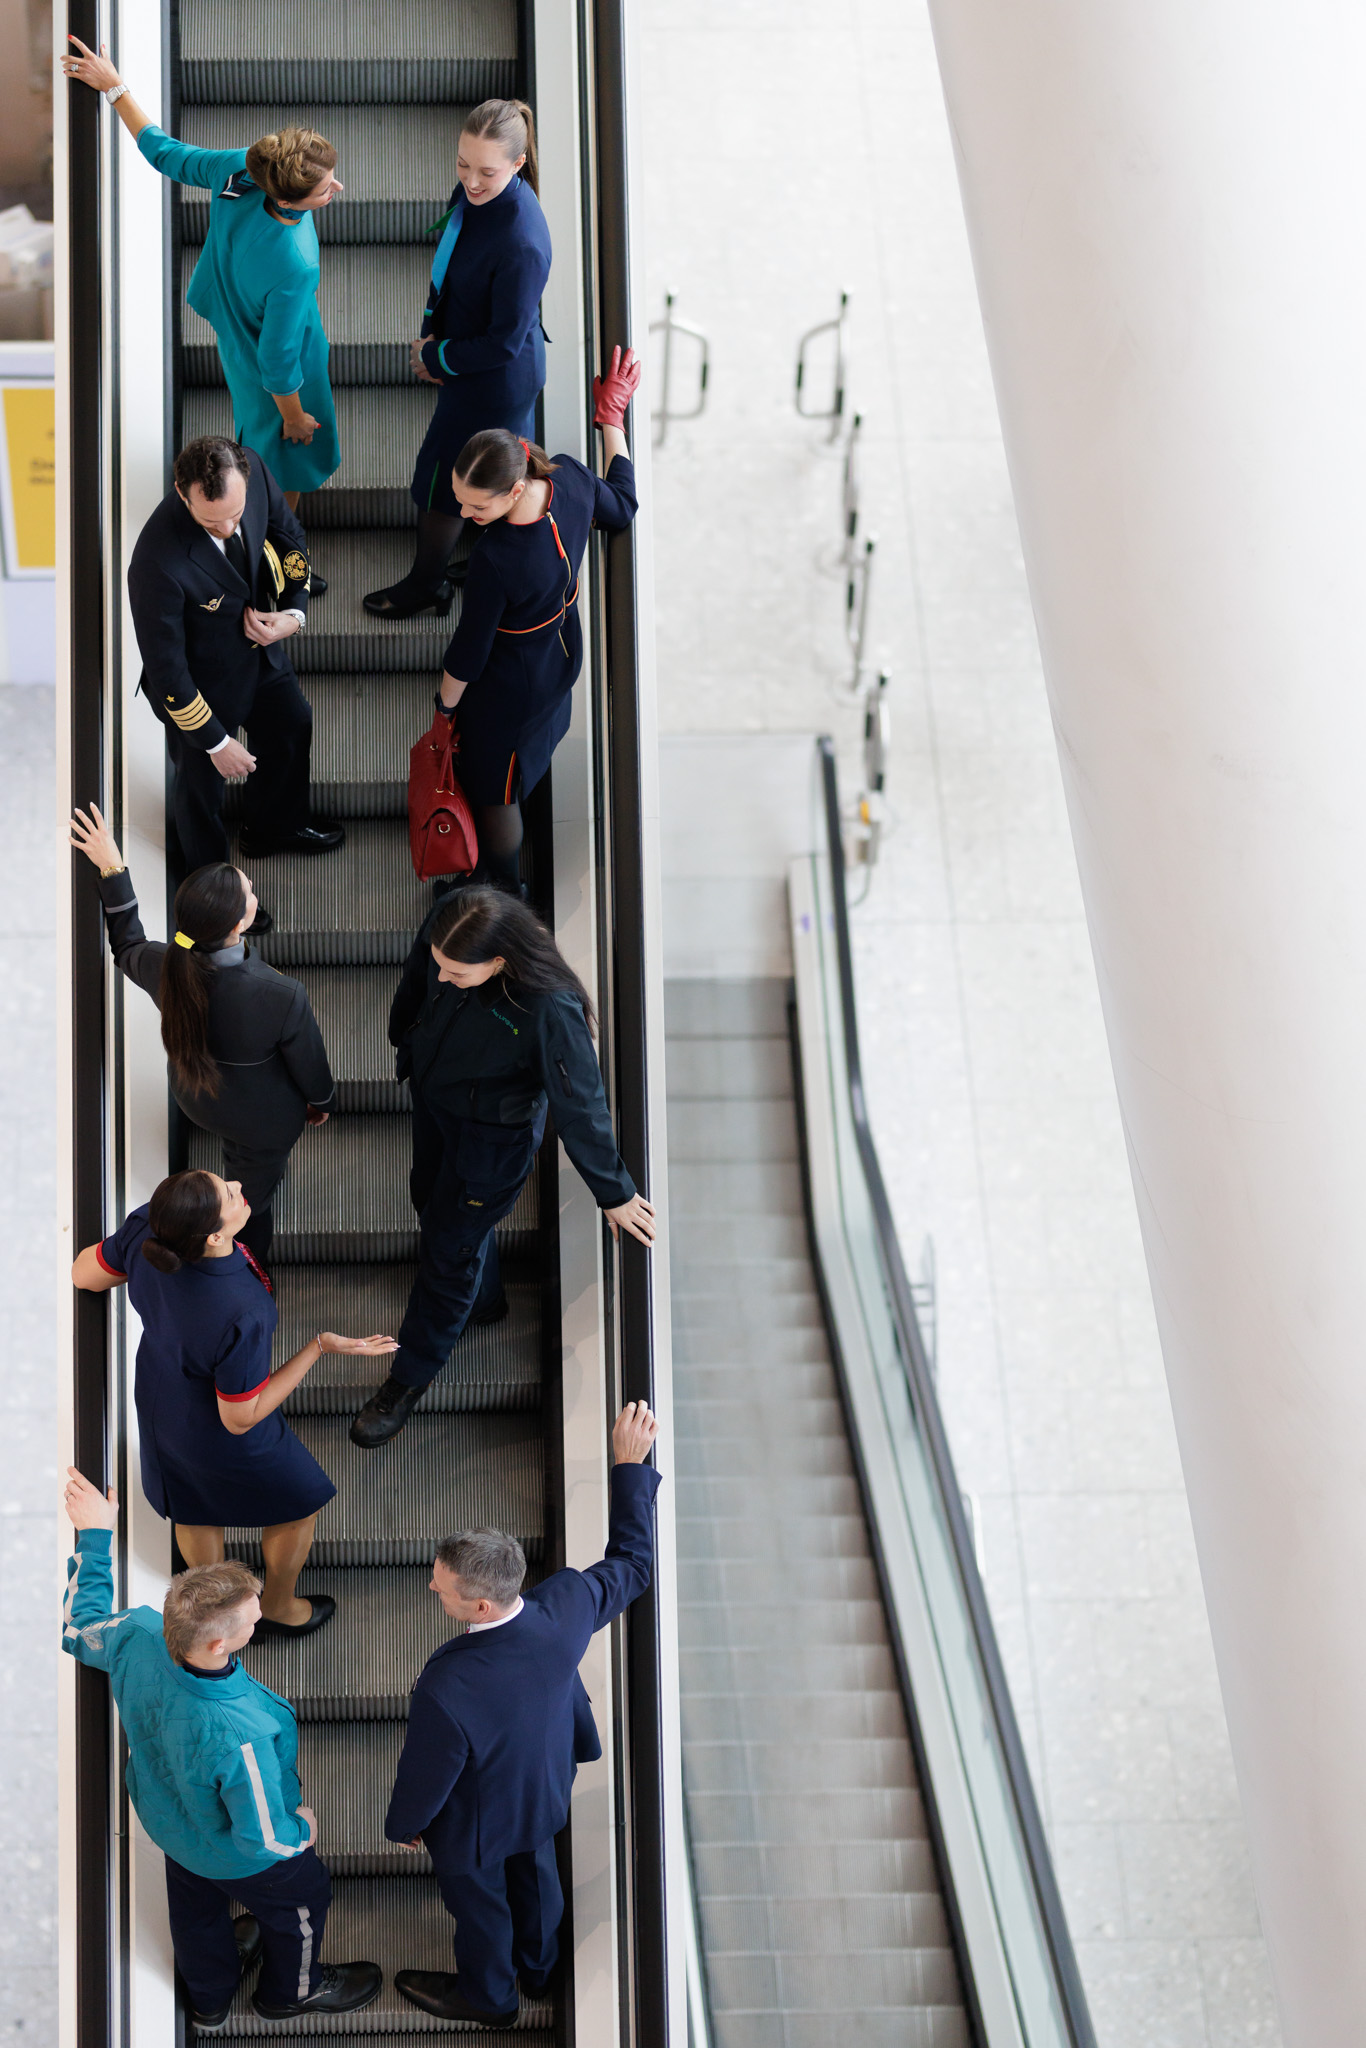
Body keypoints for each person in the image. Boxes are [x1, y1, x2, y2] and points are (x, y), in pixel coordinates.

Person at [60, 1467, 382, 2027]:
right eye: (253, 1617)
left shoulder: (137, 1634)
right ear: (216, 1642)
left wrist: (96, 1535)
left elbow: (77, 1627)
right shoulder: (243, 1733)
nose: (260, 1616)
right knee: (304, 1904)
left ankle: (208, 2001)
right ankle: (291, 1992)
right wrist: (302, 1829)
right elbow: (261, 1839)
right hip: (239, 1857)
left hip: (168, 1826)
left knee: (195, 1912)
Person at [384, 1400, 662, 2026]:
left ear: (481, 1604)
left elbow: (428, 1771)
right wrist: (629, 1466)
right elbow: (633, 1565)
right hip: (544, 1788)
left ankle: (492, 1999)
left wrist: (404, 1825)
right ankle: (539, 1969)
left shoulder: (447, 1683)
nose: (432, 1587)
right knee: (537, 1882)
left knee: (482, 1908)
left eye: (443, 1586)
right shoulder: (564, 1602)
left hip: (477, 1823)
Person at [350, 889, 655, 1448]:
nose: (441, 978)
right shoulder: (457, 923)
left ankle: (407, 1379)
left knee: (447, 1251)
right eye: (440, 963)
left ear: (500, 963)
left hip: (492, 1142)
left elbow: (579, 1104)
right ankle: (484, 1300)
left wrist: (613, 1192)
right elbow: (421, 976)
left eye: (457, 973)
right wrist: (407, 1036)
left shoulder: (548, 1008)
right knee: (428, 1201)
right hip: (437, 1105)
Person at [72, 1168, 397, 1635]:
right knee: (299, 1502)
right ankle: (279, 1608)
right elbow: (240, 1416)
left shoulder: (150, 1227)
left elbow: (85, 1274)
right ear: (214, 1234)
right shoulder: (239, 1308)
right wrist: (319, 1347)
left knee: (193, 1505)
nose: (241, 1187)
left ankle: (220, 1616)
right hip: (219, 1429)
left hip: (162, 1400)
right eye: (229, 1193)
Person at [62, 37, 342, 507]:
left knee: (256, 427)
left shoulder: (240, 170)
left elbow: (164, 153)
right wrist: (293, 416)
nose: (337, 186)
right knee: (285, 451)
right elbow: (277, 359)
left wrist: (115, 88)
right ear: (289, 200)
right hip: (280, 360)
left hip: (233, 321)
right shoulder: (297, 263)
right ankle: (278, 546)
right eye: (323, 189)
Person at [70, 805, 333, 1266]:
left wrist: (112, 868)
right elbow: (310, 1067)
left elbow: (126, 943)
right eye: (248, 892)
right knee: (251, 1203)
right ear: (239, 925)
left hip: (197, 1099)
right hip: (263, 1122)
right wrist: (322, 1101)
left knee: (244, 1180)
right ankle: (250, 1267)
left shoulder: (166, 965)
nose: (252, 889)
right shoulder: (281, 994)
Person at [428, 345, 642, 889]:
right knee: (521, 759)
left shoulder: (496, 558)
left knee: (493, 787)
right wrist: (611, 420)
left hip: (509, 687)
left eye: (476, 507)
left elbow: (469, 652)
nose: (465, 515)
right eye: (460, 500)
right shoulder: (569, 480)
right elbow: (622, 503)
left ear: (515, 488)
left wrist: (445, 710)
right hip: (560, 654)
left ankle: (501, 885)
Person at [363, 100, 552, 618]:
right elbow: (446, 271)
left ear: (517, 164)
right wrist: (432, 339)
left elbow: (504, 343)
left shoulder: (522, 241)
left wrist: (438, 357)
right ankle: (493, 557)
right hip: (474, 363)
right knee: (488, 473)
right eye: (462, 164)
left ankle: (429, 587)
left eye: (486, 171)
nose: (470, 181)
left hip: (495, 380)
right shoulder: (479, 194)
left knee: (444, 480)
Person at [127, 435, 344, 880]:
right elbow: (167, 670)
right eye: (212, 523)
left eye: (236, 516)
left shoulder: (256, 469)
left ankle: (273, 828)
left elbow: (288, 538)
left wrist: (294, 613)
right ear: (181, 490)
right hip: (201, 685)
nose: (228, 529)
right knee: (199, 793)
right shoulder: (155, 562)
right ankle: (214, 892)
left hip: (261, 652)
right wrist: (216, 742)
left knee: (292, 725)